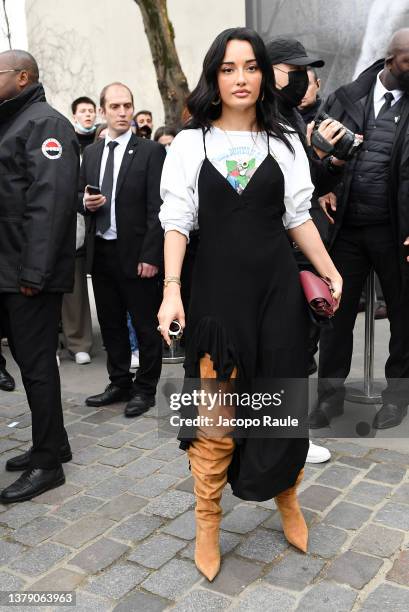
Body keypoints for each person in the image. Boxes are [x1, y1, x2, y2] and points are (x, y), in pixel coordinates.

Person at [158, 27, 342, 580]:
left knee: (281, 411)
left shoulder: (285, 140)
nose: (241, 78)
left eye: (251, 67)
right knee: (215, 419)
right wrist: (171, 290)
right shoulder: (192, 143)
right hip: (216, 303)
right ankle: (207, 520)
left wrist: (330, 270)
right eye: (229, 68)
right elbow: (177, 222)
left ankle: (287, 498)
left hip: (277, 297)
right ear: (215, 76)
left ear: (265, 75)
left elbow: (298, 217)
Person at [313, 28, 409, 431]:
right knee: (335, 318)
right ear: (390, 60)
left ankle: (397, 399)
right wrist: (324, 188)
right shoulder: (347, 97)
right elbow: (315, 155)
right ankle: (329, 398)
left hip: (395, 232)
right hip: (347, 229)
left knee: (404, 320)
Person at [0, 50, 78, 503]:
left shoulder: (45, 124)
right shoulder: (13, 122)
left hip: (27, 274)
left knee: (37, 368)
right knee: (31, 366)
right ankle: (56, 443)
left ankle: (48, 463)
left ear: (23, 76)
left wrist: (34, 271)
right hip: (10, 270)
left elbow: (49, 206)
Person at [266, 38, 347, 465]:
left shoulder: (293, 116)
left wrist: (331, 162)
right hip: (277, 253)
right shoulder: (266, 119)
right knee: (287, 350)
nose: (301, 79)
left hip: (301, 249)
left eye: (306, 72)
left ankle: (290, 436)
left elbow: (305, 191)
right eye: (293, 70)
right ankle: (285, 437)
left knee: (299, 347)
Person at [80, 82, 165, 417]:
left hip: (137, 254)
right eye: (114, 107)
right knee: (111, 322)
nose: (122, 112)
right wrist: (84, 202)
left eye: (127, 105)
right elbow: (78, 195)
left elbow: (158, 208)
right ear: (103, 111)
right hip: (101, 251)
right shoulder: (91, 153)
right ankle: (119, 382)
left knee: (145, 325)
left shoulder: (149, 152)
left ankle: (145, 389)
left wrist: (151, 255)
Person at [60, 96, 96, 366]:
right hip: (61, 218)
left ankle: (79, 342)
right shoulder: (62, 139)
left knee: (76, 290)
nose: (87, 115)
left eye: (91, 110)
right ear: (73, 115)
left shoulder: (99, 143)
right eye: (82, 111)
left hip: (84, 223)